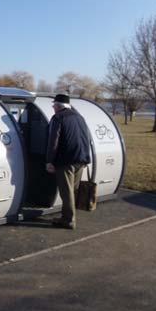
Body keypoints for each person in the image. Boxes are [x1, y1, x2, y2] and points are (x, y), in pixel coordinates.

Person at [45, 94, 92, 230]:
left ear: (59, 106)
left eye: (54, 105)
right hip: (81, 159)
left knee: (66, 192)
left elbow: (53, 141)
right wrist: (86, 158)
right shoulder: (79, 117)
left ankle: (68, 220)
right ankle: (68, 216)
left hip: (66, 161)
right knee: (73, 190)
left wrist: (49, 161)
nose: (53, 107)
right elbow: (86, 138)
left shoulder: (58, 118)